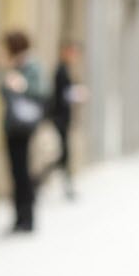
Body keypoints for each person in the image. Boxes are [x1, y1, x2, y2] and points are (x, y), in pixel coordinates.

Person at [0, 31, 46, 233]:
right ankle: (19, 218)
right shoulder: (13, 66)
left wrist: (22, 85)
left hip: (23, 127)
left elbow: (41, 91)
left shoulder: (31, 66)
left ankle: (27, 218)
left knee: (22, 172)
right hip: (12, 125)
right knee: (16, 172)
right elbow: (2, 91)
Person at [40, 41, 87, 200]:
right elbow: (60, 95)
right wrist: (76, 94)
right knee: (63, 154)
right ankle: (39, 180)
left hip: (63, 118)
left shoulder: (65, 70)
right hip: (59, 118)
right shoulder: (61, 70)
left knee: (64, 154)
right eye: (72, 53)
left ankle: (65, 186)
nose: (75, 57)